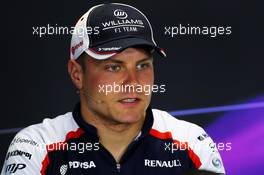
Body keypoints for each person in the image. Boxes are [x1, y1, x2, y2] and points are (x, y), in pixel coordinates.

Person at [1, 3, 225, 175]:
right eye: (114, 67)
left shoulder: (191, 141)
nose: (133, 82)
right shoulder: (36, 145)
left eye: (142, 65)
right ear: (77, 74)